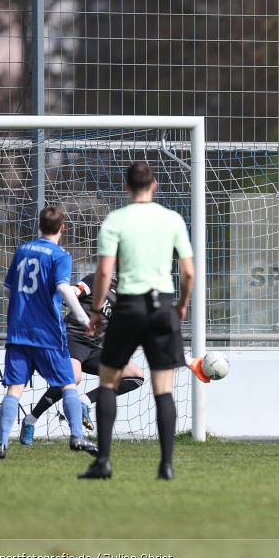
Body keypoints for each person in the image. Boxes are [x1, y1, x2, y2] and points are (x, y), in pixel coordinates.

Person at [78, 161, 195, 480]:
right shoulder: (171, 219)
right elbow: (188, 272)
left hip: (128, 307)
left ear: (127, 188)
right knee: (163, 388)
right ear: (154, 185)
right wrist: (181, 305)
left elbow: (103, 272)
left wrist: (97, 310)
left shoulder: (116, 219)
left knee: (107, 381)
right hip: (162, 307)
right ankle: (166, 465)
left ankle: (103, 462)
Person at [0, 206, 98, 459]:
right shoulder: (60, 255)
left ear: (39, 225)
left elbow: (7, 289)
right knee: (68, 384)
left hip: (18, 331)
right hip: (47, 332)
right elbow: (62, 287)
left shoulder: (22, 251)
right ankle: (76, 437)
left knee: (15, 388)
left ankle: (2, 443)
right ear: (63, 227)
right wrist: (84, 319)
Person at [18, 273, 145, 444]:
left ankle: (84, 401)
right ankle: (30, 420)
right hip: (73, 337)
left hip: (98, 348)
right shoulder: (99, 279)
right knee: (73, 378)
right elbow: (74, 292)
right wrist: (70, 293)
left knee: (135, 376)